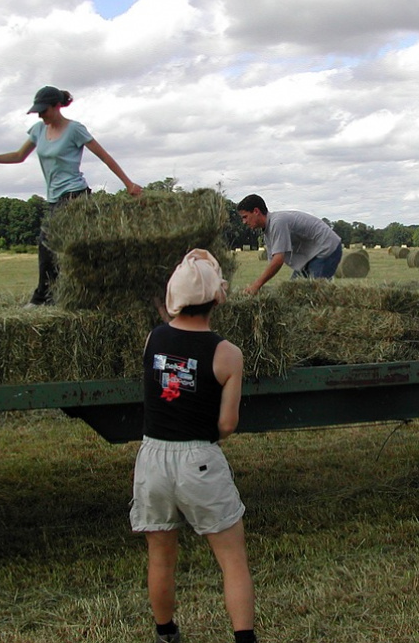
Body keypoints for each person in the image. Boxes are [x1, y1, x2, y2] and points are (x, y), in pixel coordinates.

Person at [130, 249, 258, 643]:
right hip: (198, 459)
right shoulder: (228, 354)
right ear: (216, 299)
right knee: (233, 561)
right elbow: (227, 424)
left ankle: (166, 634)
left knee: (161, 558)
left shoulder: (153, 338)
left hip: (152, 458)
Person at [0, 85, 142, 305]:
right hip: (53, 198)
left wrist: (129, 184)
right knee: (66, 249)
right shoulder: (38, 130)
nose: (40, 115)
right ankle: (68, 294)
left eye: (44, 110)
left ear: (57, 106)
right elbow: (19, 156)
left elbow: (104, 157)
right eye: (37, 111)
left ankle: (42, 298)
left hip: (75, 196)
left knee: (46, 242)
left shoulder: (75, 129)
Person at [235, 194, 342, 294]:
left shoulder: (277, 223)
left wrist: (256, 285)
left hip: (325, 249)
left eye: (245, 217)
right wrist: (260, 286)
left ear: (256, 211)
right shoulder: (268, 232)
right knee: (293, 292)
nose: (244, 222)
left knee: (313, 295)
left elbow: (278, 260)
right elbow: (272, 262)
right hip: (310, 256)